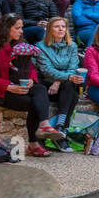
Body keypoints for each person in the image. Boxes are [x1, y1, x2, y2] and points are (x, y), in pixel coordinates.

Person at [0, 15, 64, 156]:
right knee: (33, 103)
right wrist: (8, 86)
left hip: (19, 85)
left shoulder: (20, 44)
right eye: (18, 28)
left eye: (21, 27)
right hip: (0, 92)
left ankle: (44, 125)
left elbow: (31, 67)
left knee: (39, 88)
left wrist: (32, 79)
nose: (21, 31)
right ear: (6, 28)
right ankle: (34, 143)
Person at [35, 16, 85, 148]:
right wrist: (59, 80)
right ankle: (62, 130)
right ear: (50, 30)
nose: (61, 29)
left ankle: (60, 126)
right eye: (57, 26)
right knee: (72, 91)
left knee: (70, 85)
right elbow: (46, 70)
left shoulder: (72, 45)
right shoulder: (40, 46)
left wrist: (58, 81)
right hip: (47, 85)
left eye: (63, 26)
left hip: (61, 86)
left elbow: (73, 68)